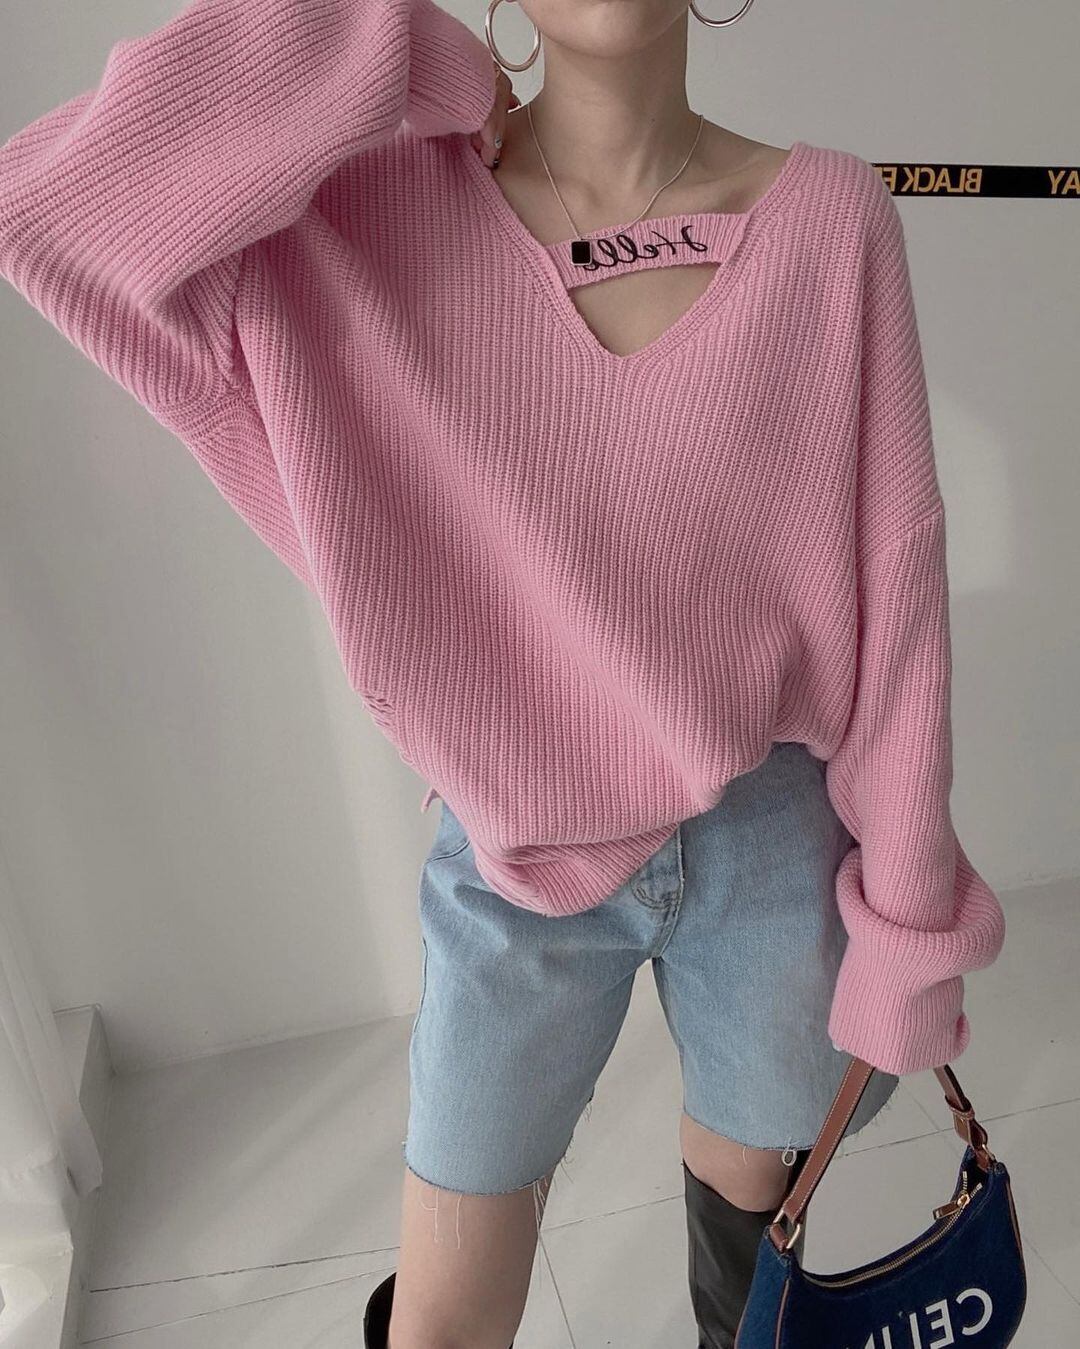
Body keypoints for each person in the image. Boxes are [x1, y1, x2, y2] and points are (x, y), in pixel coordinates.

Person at [0, 1, 1007, 1346]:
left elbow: (899, 602)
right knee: (445, 1317)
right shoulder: (353, 221)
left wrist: (908, 920)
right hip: (512, 853)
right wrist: (393, 49)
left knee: (754, 1247)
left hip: (775, 837)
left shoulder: (832, 221)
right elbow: (52, 213)